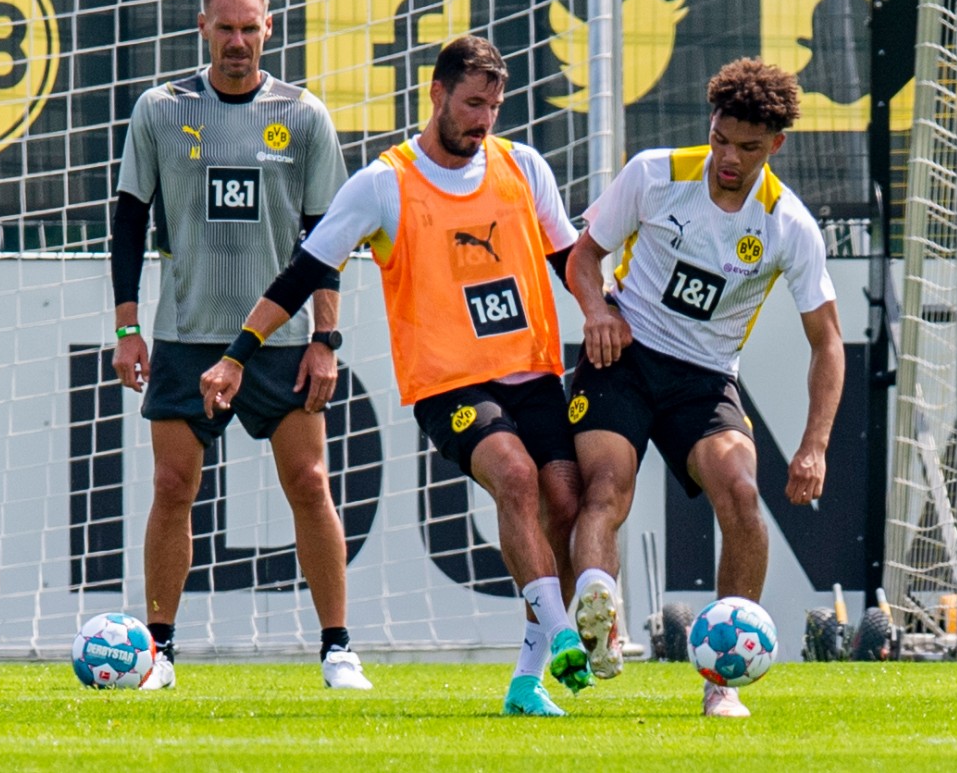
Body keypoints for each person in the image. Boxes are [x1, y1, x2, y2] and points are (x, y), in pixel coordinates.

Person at [199, 35, 594, 716]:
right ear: (436, 94)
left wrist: (605, 309)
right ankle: (563, 634)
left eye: (493, 107)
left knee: (563, 501)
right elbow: (301, 275)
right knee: (516, 477)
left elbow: (568, 256)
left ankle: (528, 682)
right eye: (472, 103)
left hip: (532, 372)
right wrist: (237, 352)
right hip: (451, 386)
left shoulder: (523, 166)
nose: (482, 119)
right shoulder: (384, 183)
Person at [109, 0, 371, 692]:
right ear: (202, 28)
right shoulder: (161, 110)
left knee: (310, 481)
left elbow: (327, 238)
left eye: (249, 28)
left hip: (282, 342)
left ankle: (338, 648)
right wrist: (128, 326)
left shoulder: (305, 114)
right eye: (224, 28)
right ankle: (158, 653)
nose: (237, 42)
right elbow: (129, 219)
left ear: (270, 28)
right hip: (187, 334)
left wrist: (326, 338)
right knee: (172, 486)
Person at [565, 57, 845, 717]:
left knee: (744, 497)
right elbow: (584, 257)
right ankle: (599, 621)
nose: (727, 157)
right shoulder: (655, 174)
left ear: (775, 146)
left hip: (706, 378)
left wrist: (815, 445)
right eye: (721, 138)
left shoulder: (788, 225)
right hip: (626, 354)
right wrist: (598, 311)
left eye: (747, 148)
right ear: (710, 125)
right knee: (605, 488)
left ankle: (720, 681)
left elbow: (827, 341)